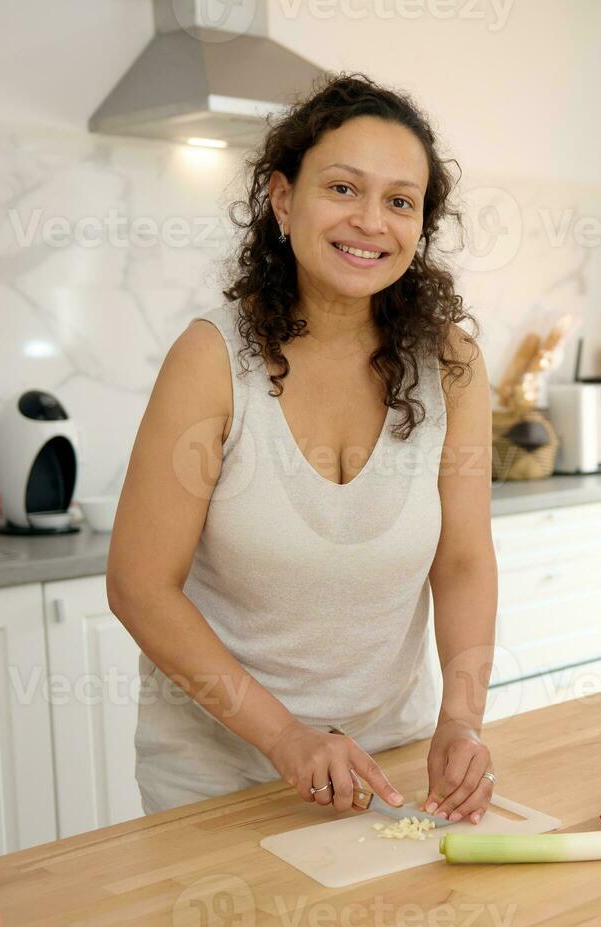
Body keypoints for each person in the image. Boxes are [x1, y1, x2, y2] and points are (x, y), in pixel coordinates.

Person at [107, 73, 498, 826]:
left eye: (399, 201)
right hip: (221, 780)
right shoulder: (211, 359)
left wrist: (461, 720)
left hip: (395, 764)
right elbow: (139, 586)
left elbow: (463, 560)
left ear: (419, 227)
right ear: (284, 201)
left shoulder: (450, 364)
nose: (370, 222)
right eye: (343, 188)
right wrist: (285, 738)